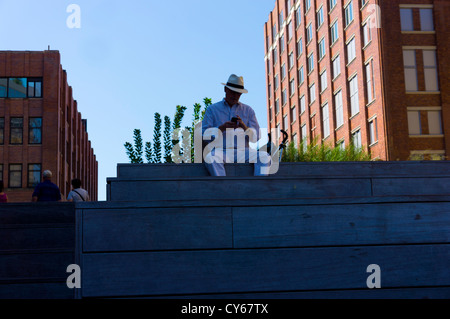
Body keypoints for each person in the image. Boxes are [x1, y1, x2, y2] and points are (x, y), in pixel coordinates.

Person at [202, 74, 271, 176]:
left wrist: (244, 127)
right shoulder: (212, 109)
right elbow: (204, 135)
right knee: (211, 158)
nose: (235, 95)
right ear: (225, 89)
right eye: (232, 92)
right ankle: (224, 187)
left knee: (264, 157)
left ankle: (257, 187)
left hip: (244, 151)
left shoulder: (248, 110)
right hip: (221, 151)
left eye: (238, 93)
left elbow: (256, 137)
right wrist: (222, 128)